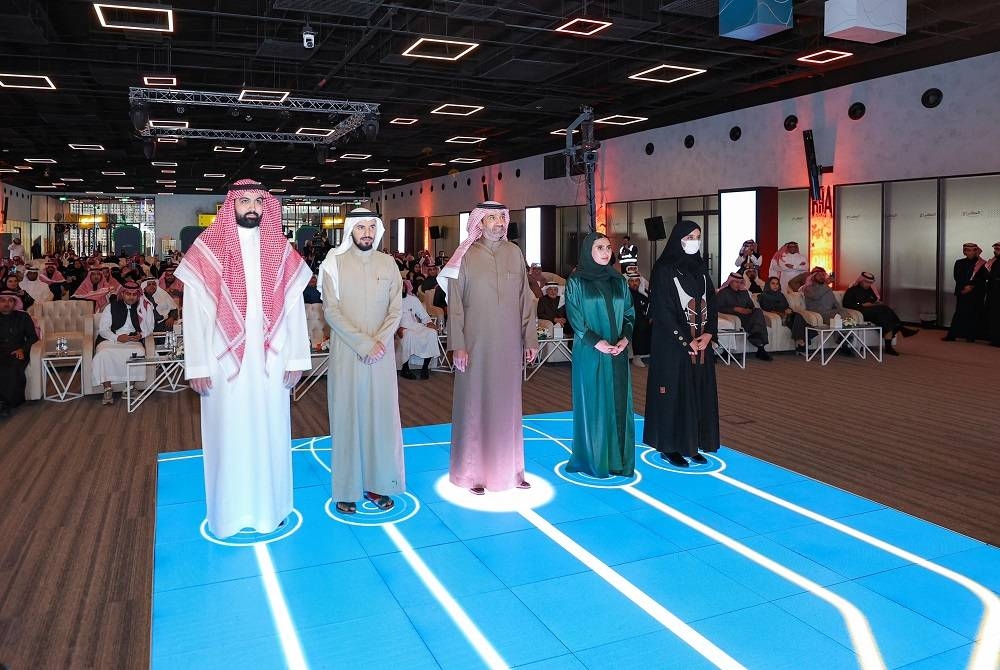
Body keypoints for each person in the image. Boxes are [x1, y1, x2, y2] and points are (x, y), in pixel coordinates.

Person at [176, 180, 312, 538]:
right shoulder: (207, 249)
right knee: (229, 435)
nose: (252, 207)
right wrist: (197, 365)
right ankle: (229, 515)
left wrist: (297, 358)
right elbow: (193, 313)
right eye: (245, 201)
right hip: (222, 362)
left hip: (272, 359)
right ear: (231, 205)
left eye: (258, 201)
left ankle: (272, 510)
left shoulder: (280, 249)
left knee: (272, 433)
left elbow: (295, 308)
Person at [440, 201, 538, 494]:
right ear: (479, 223)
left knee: (509, 408)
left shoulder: (514, 252)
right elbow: (455, 306)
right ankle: (472, 474)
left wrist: (530, 339)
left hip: (509, 345)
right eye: (492, 218)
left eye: (501, 218)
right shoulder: (464, 255)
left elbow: (526, 299)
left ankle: (512, 471)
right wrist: (458, 345)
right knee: (475, 405)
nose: (498, 223)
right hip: (475, 345)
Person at [320, 208, 405, 514]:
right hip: (348, 354)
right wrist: (364, 344)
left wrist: (378, 343)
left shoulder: (388, 263)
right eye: (361, 227)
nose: (367, 232)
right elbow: (331, 311)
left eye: (371, 227)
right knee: (347, 420)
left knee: (380, 421)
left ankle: (378, 484)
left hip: (381, 357)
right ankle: (346, 489)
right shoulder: (334, 263)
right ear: (350, 231)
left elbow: (396, 309)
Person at [644, 221, 719, 467]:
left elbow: (712, 304)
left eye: (697, 236)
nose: (694, 241)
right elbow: (663, 310)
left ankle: (691, 444)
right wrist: (685, 340)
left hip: (701, 346)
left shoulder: (700, 269)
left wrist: (709, 334)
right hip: (672, 347)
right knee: (673, 395)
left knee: (697, 393)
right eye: (689, 237)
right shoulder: (664, 269)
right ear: (678, 238)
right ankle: (669, 446)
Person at [565, 233, 635, 478]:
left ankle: (618, 461)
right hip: (590, 352)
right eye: (599, 248)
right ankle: (594, 460)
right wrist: (597, 342)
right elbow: (575, 319)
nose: (606, 252)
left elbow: (629, 313)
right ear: (588, 251)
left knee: (619, 403)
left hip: (618, 351)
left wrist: (625, 338)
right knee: (594, 404)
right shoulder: (576, 282)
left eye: (608, 247)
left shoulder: (618, 281)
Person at [92, 280, 156, 405]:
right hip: (110, 339)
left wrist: (141, 335)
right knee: (103, 354)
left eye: (134, 294)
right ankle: (107, 389)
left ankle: (129, 388)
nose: (131, 297)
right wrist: (117, 337)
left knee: (138, 352)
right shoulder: (111, 307)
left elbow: (150, 327)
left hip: (132, 340)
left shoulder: (143, 307)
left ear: (138, 295)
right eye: (128, 294)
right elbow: (103, 329)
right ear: (122, 294)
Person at [842, 272, 918, 356]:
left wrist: (876, 303)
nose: (868, 284)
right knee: (884, 309)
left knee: (885, 318)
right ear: (861, 281)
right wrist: (862, 304)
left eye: (870, 283)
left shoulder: (870, 290)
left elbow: (874, 300)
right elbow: (847, 304)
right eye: (867, 282)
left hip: (875, 312)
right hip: (861, 312)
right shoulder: (852, 290)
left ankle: (890, 346)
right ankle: (901, 328)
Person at [715, 271, 772, 361]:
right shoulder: (723, 293)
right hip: (735, 316)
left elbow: (751, 305)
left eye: (740, 282)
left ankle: (760, 346)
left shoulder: (744, 292)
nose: (738, 284)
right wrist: (735, 309)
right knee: (758, 321)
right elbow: (718, 308)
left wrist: (749, 310)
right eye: (736, 282)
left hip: (747, 315)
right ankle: (760, 347)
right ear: (730, 281)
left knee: (758, 312)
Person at [0, 290, 38, 418]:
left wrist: (23, 350)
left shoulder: (23, 317)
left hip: (17, 351)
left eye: (10, 300)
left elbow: (33, 337)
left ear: (15, 303)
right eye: (3, 300)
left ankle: (6, 403)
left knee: (12, 368)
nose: (6, 303)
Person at [394, 280, 439, 380]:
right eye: (400, 287)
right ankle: (405, 369)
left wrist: (429, 322)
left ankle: (425, 368)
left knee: (431, 333)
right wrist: (397, 329)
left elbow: (423, 315)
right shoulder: (392, 301)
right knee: (408, 335)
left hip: (415, 326)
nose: (403, 289)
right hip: (400, 328)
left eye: (404, 287)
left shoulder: (413, 300)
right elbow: (389, 319)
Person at [944, 243, 988, 343]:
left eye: (973, 250)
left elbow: (983, 277)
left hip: (976, 293)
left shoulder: (982, 263)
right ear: (964, 252)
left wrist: (971, 286)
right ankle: (952, 335)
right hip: (963, 291)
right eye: (968, 250)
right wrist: (965, 287)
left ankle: (971, 336)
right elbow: (957, 276)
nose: (970, 252)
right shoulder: (959, 262)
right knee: (959, 313)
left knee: (975, 314)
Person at [758, 277, 808, 353]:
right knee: (798, 319)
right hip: (778, 315)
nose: (775, 286)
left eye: (777, 284)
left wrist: (788, 310)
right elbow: (766, 307)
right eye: (773, 283)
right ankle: (801, 341)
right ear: (768, 285)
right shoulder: (763, 296)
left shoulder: (781, 295)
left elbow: (786, 306)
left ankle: (800, 341)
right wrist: (783, 311)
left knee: (798, 316)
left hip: (787, 314)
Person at [627, 275, 651, 367]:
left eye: (636, 281)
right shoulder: (625, 295)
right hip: (629, 322)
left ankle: (640, 356)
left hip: (642, 322)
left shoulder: (643, 295)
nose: (634, 283)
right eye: (632, 281)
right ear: (628, 282)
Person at [987, 242, 1000, 347]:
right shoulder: (994, 261)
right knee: (994, 316)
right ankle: (995, 339)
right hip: (993, 293)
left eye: (998, 249)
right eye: (995, 249)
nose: (995, 251)